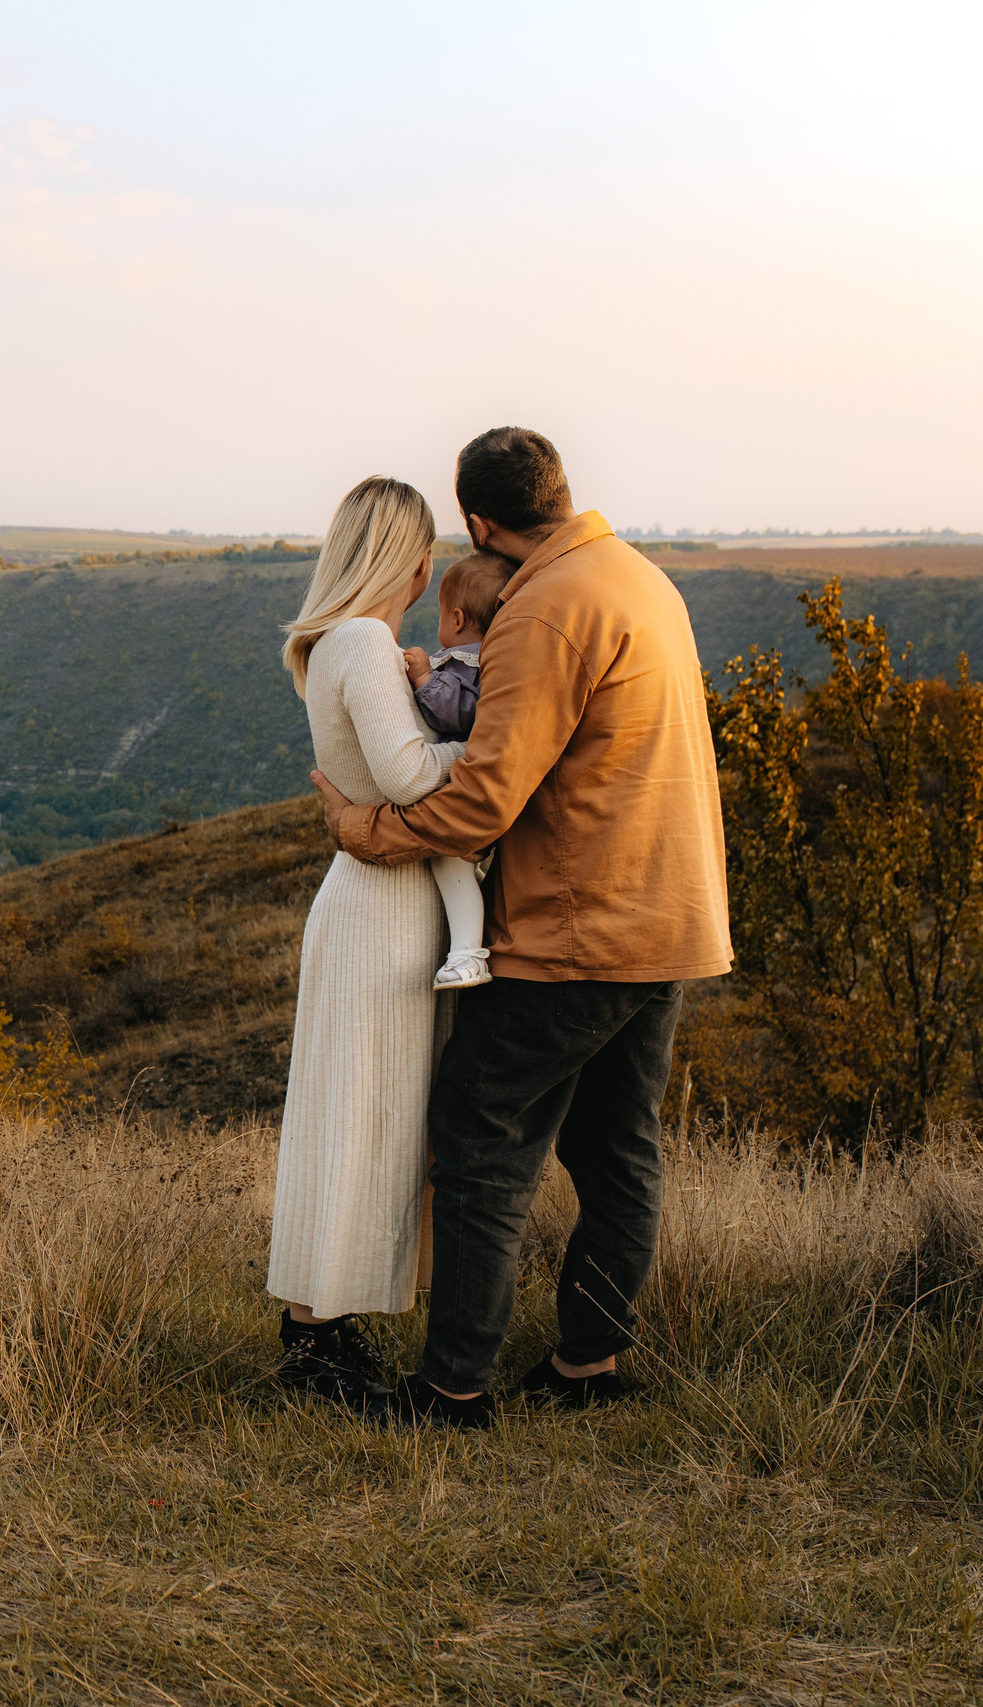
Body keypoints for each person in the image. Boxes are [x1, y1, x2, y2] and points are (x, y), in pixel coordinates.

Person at [311, 427, 732, 1429]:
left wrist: (368, 832)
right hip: (669, 915)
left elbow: (483, 798)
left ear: (478, 522)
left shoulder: (544, 608)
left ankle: (451, 1387)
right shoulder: (640, 580)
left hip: (576, 927)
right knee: (616, 1148)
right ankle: (588, 1364)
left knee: (477, 1139)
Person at [265, 476, 464, 1404]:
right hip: (381, 907)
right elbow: (411, 776)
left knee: (356, 1119)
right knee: (357, 1120)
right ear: (413, 564)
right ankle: (315, 1346)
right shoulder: (364, 641)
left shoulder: (342, 644)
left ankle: (322, 1329)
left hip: (377, 899)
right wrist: (498, 752)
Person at [403, 550, 519, 992]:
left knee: (448, 859)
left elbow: (459, 712)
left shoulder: (467, 662)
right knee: (460, 870)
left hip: (466, 786)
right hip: (485, 786)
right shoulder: (497, 657)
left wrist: (423, 680)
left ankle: (468, 956)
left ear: (456, 618)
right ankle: (470, 943)